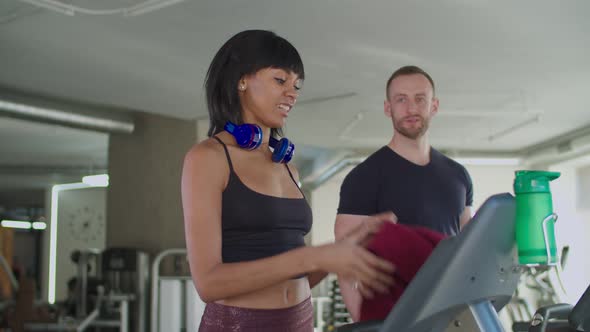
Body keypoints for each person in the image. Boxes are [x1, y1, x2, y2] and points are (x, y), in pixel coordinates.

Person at [181, 30, 395, 332]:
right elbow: (208, 283)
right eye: (280, 80)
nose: (292, 93)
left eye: (296, 85)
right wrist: (312, 255)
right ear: (241, 80)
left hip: (300, 321)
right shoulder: (208, 158)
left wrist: (346, 246)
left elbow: (298, 275)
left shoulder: (288, 168)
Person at [334, 65, 474, 321]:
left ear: (434, 106)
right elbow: (344, 262)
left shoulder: (458, 175)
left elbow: (468, 247)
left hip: (450, 312)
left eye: (420, 99)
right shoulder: (364, 177)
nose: (411, 109)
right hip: (396, 315)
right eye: (401, 99)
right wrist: (369, 326)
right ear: (388, 108)